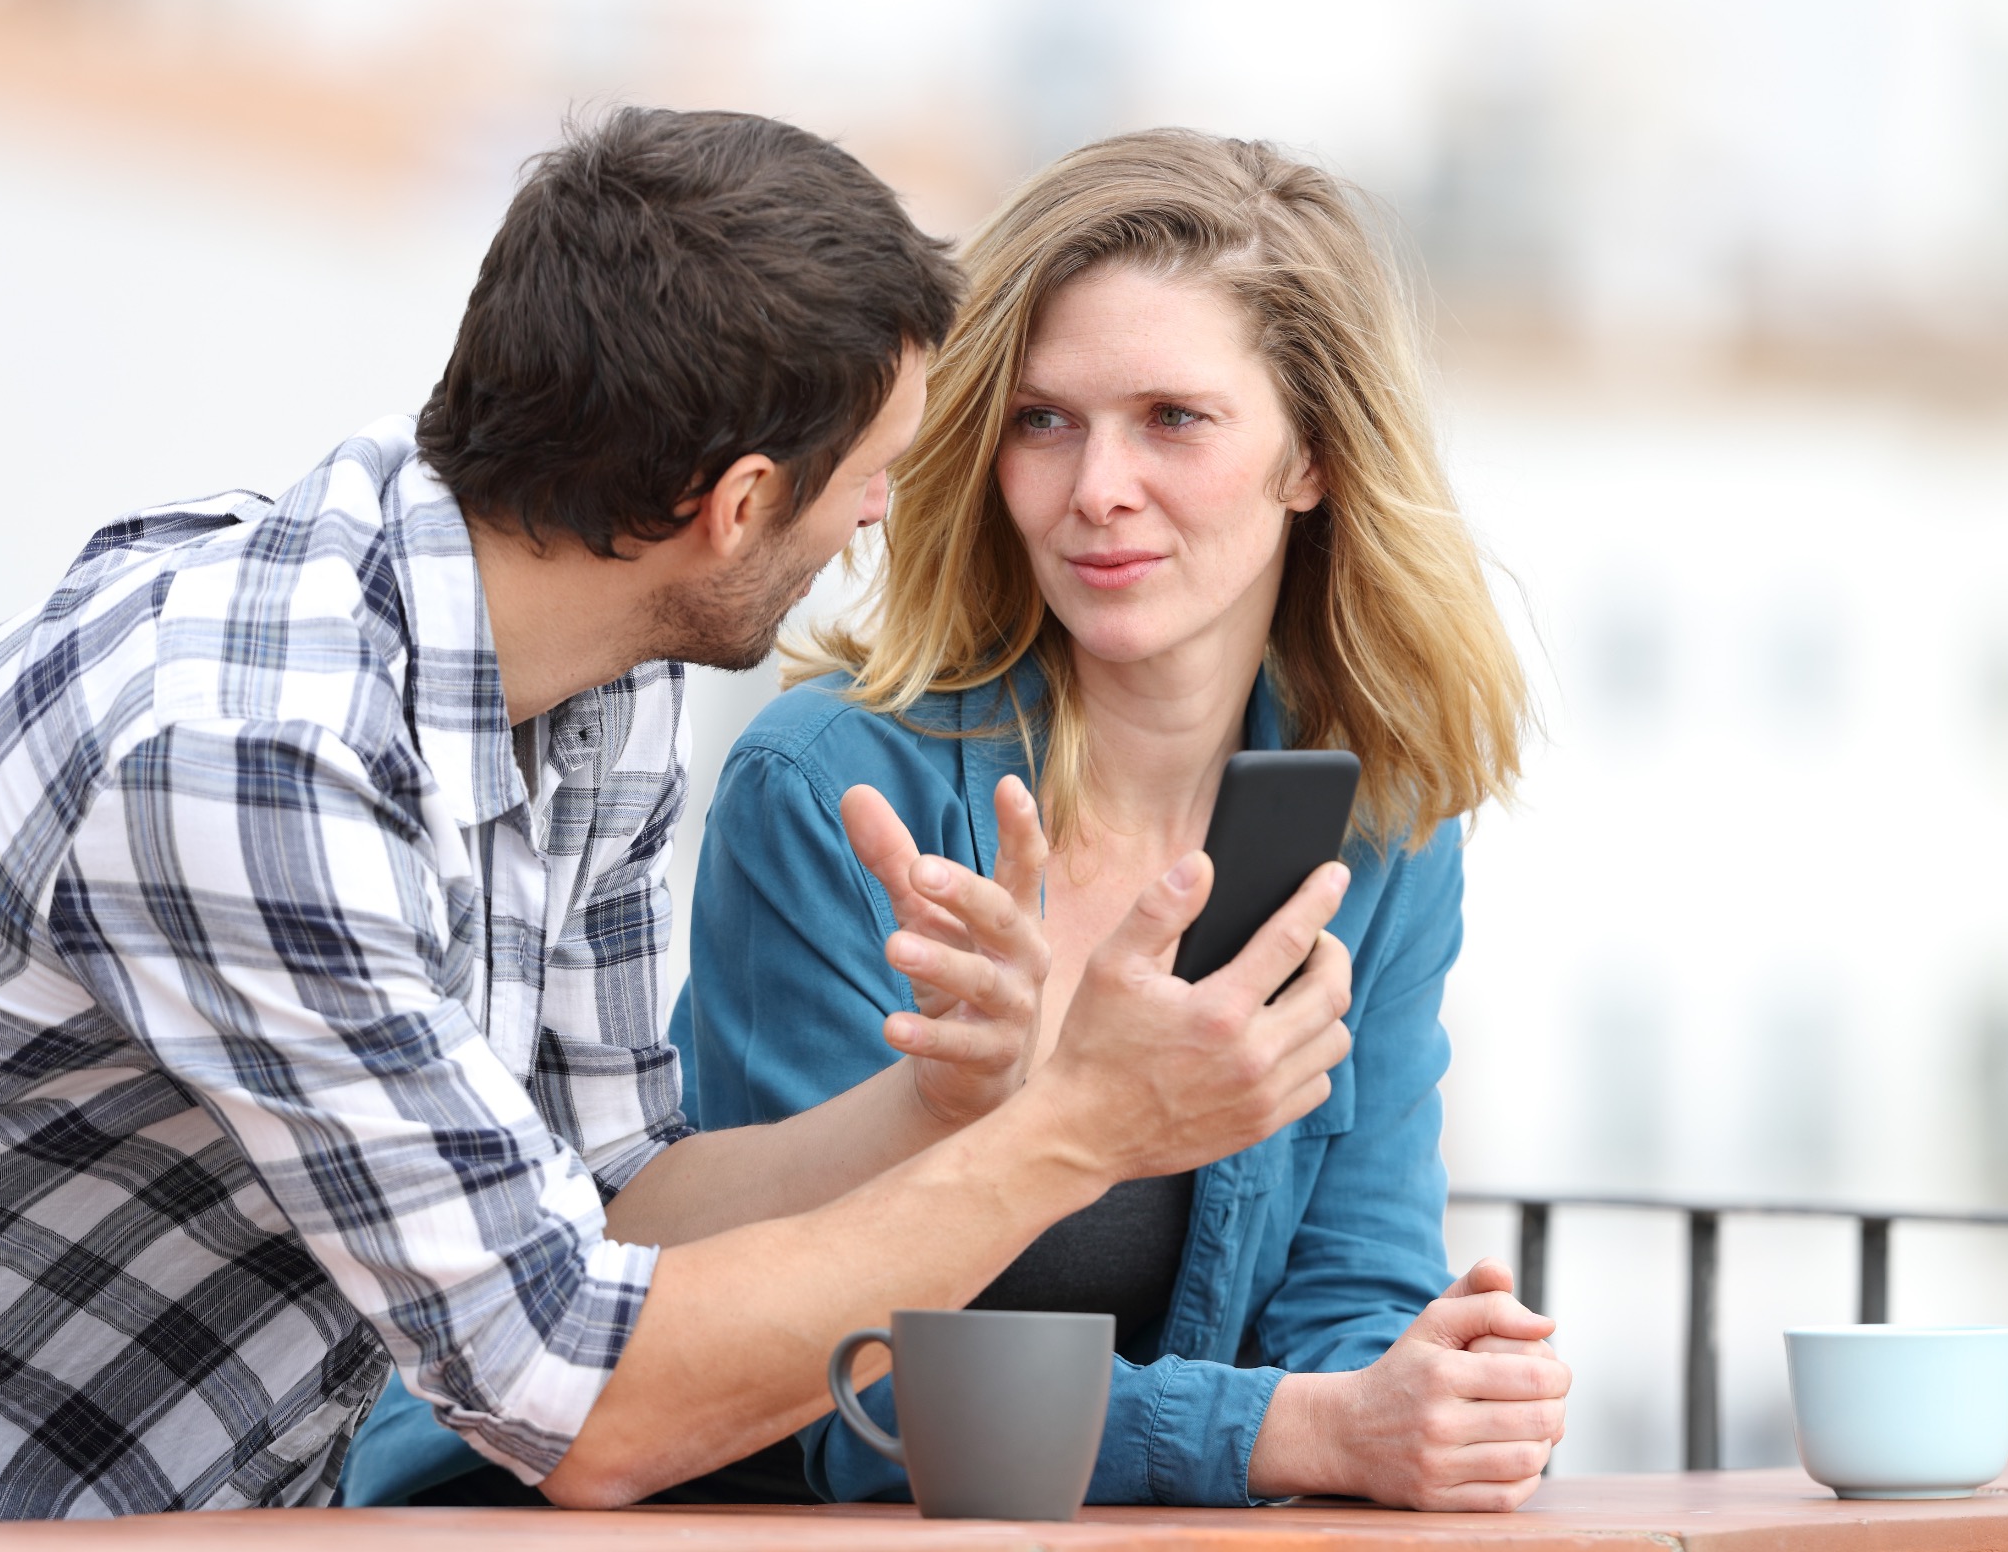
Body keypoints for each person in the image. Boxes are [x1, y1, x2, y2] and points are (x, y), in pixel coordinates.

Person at [0, 109, 1360, 1519]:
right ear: (740, 505)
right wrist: (1079, 1132)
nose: (878, 514)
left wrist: (936, 1100)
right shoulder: (252, 762)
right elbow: (580, 1405)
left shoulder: (588, 660)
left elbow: (613, 1194)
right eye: (871, 467)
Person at [353, 129, 1568, 1513]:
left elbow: (1354, 1299)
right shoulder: (832, 785)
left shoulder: (1381, 821)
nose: (1097, 486)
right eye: (1043, 421)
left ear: (1313, 461)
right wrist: (1287, 1433)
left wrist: (1426, 1401)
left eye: (1173, 419)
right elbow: (851, 1391)